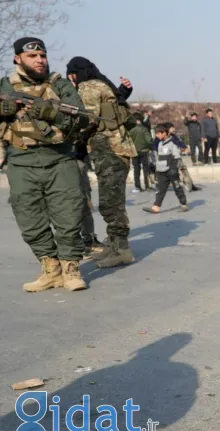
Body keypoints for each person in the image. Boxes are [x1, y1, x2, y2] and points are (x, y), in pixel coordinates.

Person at [0, 37, 90, 291]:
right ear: (18, 59)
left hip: (59, 158)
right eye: (33, 57)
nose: (40, 60)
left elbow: (82, 120)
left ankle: (71, 268)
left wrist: (48, 111)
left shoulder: (59, 85)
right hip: (20, 161)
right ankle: (51, 269)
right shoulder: (5, 85)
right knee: (29, 218)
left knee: (69, 214)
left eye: (43, 55)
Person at [66, 56, 137, 269]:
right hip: (112, 149)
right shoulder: (101, 84)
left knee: (111, 202)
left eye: (71, 75)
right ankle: (114, 246)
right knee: (110, 200)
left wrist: (69, 137)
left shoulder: (88, 86)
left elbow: (87, 118)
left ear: (74, 74)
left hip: (110, 149)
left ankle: (122, 250)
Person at [143, 124, 188, 214]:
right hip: (161, 171)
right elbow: (158, 157)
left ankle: (184, 204)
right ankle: (156, 207)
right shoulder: (159, 143)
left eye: (158, 133)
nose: (156, 135)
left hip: (171, 170)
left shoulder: (172, 143)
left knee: (177, 187)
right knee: (160, 189)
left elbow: (177, 157)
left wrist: (174, 169)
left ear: (164, 133)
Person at [129, 113, 153, 192]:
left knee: (136, 169)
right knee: (146, 169)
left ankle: (137, 187)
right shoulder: (144, 129)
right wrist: (151, 146)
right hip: (144, 151)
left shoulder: (131, 130)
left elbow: (128, 141)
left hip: (134, 152)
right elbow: (149, 140)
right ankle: (147, 185)